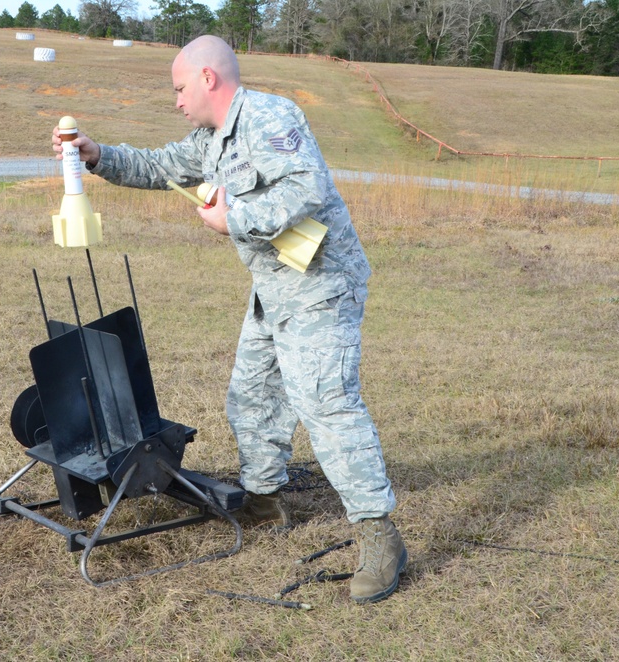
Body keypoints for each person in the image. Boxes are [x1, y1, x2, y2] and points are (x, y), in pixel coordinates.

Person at [51, 35, 406, 604]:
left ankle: (379, 537)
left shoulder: (268, 117)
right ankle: (264, 500)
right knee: (252, 394)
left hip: (321, 285)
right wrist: (96, 156)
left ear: (208, 79)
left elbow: (307, 189)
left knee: (327, 404)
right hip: (275, 287)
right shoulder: (212, 139)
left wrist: (234, 217)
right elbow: (159, 165)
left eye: (179, 88)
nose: (176, 100)